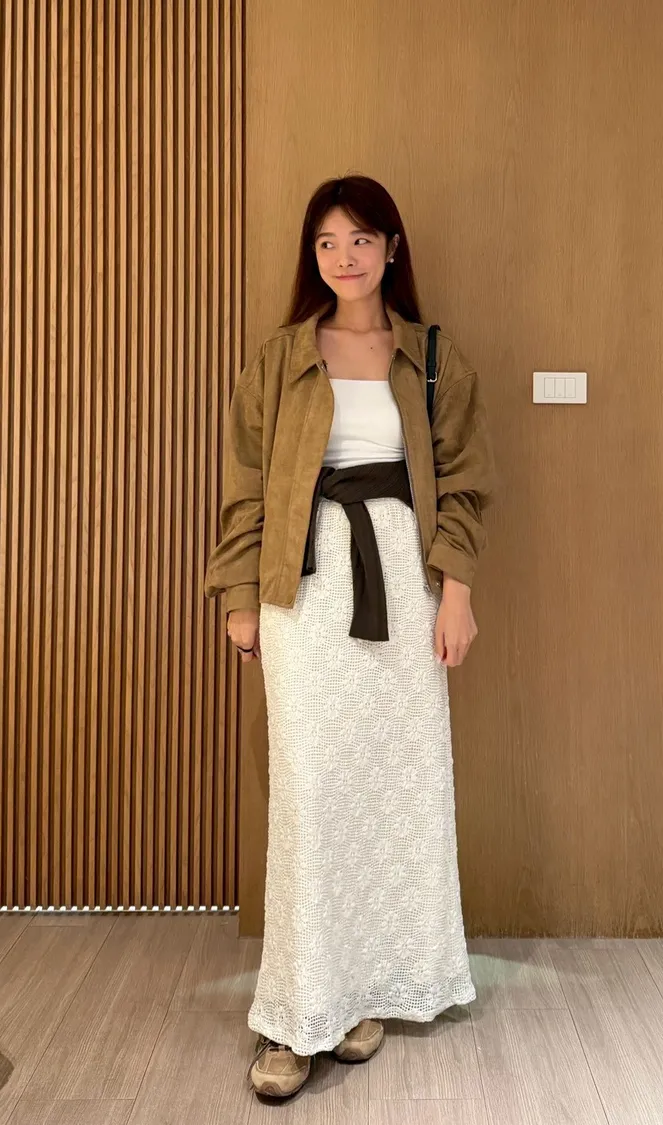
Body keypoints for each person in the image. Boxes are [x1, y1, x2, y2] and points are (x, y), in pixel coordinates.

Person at [204, 173, 494, 1099]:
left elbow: (465, 484)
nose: (345, 257)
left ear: (391, 248)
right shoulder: (281, 356)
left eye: (362, 239)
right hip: (304, 586)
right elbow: (246, 485)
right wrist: (239, 597)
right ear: (313, 256)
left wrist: (457, 592)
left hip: (404, 582)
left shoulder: (433, 357)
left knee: (393, 783)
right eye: (327, 242)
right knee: (312, 790)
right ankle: (296, 1014)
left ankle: (363, 990)